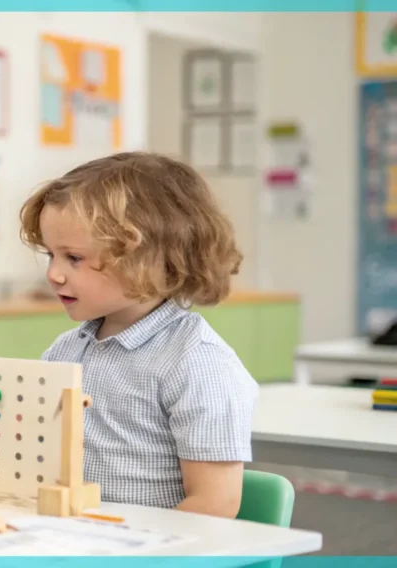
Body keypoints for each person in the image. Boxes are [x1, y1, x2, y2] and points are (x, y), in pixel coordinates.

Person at [18, 152, 258, 518]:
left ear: (147, 256)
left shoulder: (198, 362)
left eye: (74, 258)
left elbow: (215, 505)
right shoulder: (64, 351)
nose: (53, 273)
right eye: (51, 255)